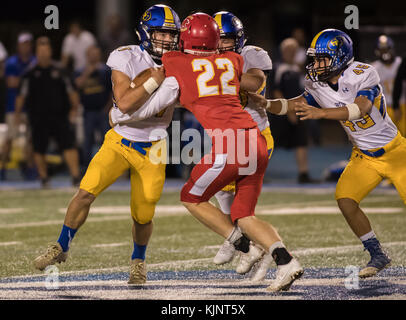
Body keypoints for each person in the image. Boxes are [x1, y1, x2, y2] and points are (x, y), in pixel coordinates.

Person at [114, 12, 304, 292]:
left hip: (231, 143)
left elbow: (156, 103)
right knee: (244, 215)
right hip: (256, 140)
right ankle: (286, 261)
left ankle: (241, 245)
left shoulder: (175, 62)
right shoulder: (234, 60)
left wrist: (121, 117)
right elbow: (234, 80)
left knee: (190, 196)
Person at [33, 4, 180, 285]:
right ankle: (61, 246)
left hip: (156, 144)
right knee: (86, 191)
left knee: (143, 213)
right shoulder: (125, 57)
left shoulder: (179, 62)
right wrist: (155, 79)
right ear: (146, 33)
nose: (166, 40)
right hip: (122, 139)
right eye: (161, 34)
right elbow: (124, 102)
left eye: (171, 34)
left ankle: (138, 261)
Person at [250, 29, 406, 278]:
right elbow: (295, 103)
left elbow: (361, 109)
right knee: (345, 199)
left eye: (322, 58)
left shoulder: (363, 72)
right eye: (315, 59)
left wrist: (321, 114)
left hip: (397, 153)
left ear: (341, 57)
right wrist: (267, 104)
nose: (316, 64)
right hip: (364, 156)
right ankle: (377, 253)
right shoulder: (317, 82)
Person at [210, 11, 275, 276]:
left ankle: (241, 242)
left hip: (254, 135)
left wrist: (218, 71)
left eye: (227, 39)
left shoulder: (251, 54)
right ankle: (246, 244)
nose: (222, 45)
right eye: (218, 39)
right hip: (227, 136)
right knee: (223, 192)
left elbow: (255, 81)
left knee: (228, 195)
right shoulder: (205, 58)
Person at [15, 36, 81, 188]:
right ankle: (44, 178)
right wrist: (18, 114)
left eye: (46, 50)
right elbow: (21, 96)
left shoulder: (61, 70)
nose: (43, 53)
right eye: (40, 50)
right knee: (39, 148)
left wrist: (74, 109)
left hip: (60, 116)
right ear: (36, 52)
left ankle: (75, 176)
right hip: (38, 117)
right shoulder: (29, 73)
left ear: (51, 51)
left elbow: (72, 92)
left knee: (69, 145)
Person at [269, 37, 317, 184]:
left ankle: (303, 174)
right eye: (289, 50)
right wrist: (288, 112)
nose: (291, 53)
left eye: (294, 50)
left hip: (297, 111)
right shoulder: (277, 67)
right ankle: (255, 174)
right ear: (283, 51)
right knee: (268, 143)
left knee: (302, 142)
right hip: (280, 113)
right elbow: (276, 91)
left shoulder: (297, 69)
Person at [1, 32, 36, 181]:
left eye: (28, 43)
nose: (26, 46)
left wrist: (21, 80)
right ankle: (2, 167)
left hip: (31, 107)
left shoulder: (35, 61)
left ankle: (29, 168)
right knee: (10, 138)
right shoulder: (11, 62)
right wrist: (27, 79)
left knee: (30, 140)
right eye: (23, 43)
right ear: (18, 45)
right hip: (12, 107)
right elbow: (11, 83)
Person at [73, 45, 112, 168]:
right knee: (87, 142)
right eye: (91, 54)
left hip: (103, 111)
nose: (93, 56)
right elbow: (77, 86)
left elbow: (113, 90)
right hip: (88, 111)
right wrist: (87, 73)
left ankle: (107, 168)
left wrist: (108, 107)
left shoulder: (106, 70)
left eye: (96, 54)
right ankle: (86, 169)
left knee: (107, 141)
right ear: (87, 56)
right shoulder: (80, 71)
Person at [372, 35, 406, 137]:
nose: (385, 53)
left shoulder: (401, 63)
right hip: (384, 108)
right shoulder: (374, 68)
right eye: (382, 50)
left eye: (386, 49)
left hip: (403, 105)